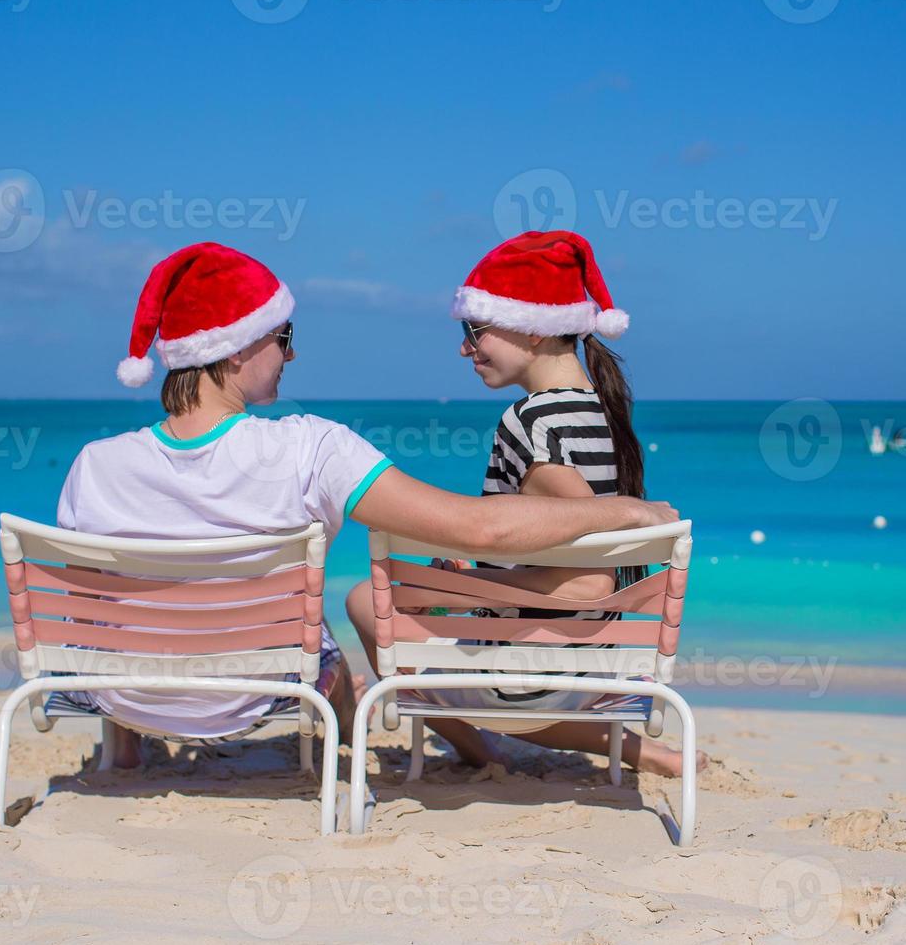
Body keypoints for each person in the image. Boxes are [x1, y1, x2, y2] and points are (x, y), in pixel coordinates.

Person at [58, 242, 678, 768]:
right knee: (333, 632)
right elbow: (478, 529)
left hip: (124, 694)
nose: (292, 354)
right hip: (258, 693)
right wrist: (625, 511)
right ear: (237, 347)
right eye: (283, 337)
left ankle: (126, 757)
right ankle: (348, 743)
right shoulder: (311, 446)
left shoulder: (94, 464)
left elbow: (91, 604)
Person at [346, 231, 703, 777]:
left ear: (533, 329)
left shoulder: (530, 422)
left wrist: (465, 589)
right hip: (606, 666)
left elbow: (588, 581)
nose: (465, 348)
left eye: (475, 330)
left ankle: (479, 750)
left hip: (535, 677)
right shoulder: (606, 413)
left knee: (363, 602)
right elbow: (583, 554)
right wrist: (482, 572)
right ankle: (638, 749)